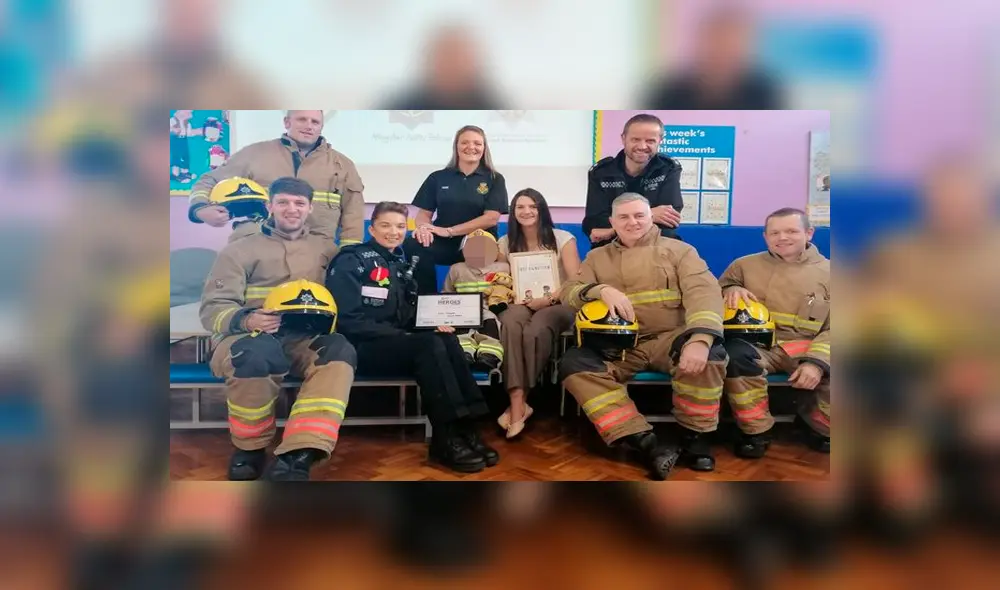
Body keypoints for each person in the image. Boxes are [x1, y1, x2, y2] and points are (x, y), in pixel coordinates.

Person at [560, 193, 729, 478]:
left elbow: (705, 293)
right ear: (612, 222)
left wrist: (700, 340)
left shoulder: (680, 251)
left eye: (639, 215)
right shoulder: (597, 257)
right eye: (624, 217)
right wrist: (600, 290)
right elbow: (569, 292)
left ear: (651, 217)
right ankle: (644, 442)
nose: (632, 222)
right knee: (573, 363)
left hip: (670, 339)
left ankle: (695, 439)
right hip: (621, 346)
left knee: (710, 356)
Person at [325, 201, 500, 474]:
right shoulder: (351, 260)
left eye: (399, 226)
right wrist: (408, 334)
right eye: (385, 225)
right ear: (371, 228)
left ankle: (467, 429)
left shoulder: (400, 264)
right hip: (363, 347)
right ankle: (446, 439)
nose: (393, 232)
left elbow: (408, 314)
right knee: (429, 345)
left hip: (397, 343)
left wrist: (431, 324)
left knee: (446, 340)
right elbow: (349, 320)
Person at [200, 177, 355, 481]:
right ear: (269, 205)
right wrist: (246, 319)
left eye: (299, 203)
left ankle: (300, 452)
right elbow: (212, 307)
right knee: (255, 355)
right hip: (247, 337)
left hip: (304, 338)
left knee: (339, 352)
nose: (291, 209)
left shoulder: (327, 250)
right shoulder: (237, 251)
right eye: (283, 202)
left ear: (309, 208)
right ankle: (250, 447)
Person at [719, 208, 831, 455]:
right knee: (735, 358)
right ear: (765, 237)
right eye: (775, 232)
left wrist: (817, 363)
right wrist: (729, 290)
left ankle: (816, 426)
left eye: (791, 231)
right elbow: (720, 288)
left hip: (809, 345)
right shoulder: (744, 265)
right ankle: (755, 431)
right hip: (759, 346)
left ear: (809, 233)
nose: (782, 238)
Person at [187, 110, 365, 244]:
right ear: (287, 122)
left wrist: (348, 255)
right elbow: (209, 180)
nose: (309, 126)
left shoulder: (342, 165)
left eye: (315, 122)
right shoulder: (254, 154)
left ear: (321, 127)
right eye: (302, 119)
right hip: (258, 249)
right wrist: (200, 209)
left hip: (316, 255)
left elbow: (353, 215)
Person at [495, 188, 581, 438]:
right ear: (513, 212)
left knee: (536, 329)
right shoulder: (505, 242)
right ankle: (518, 402)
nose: (527, 212)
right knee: (510, 322)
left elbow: (575, 280)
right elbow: (502, 278)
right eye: (520, 207)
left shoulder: (563, 238)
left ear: (541, 209)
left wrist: (549, 299)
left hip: (558, 303)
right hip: (521, 302)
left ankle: (518, 403)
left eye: (532, 206)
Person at [405, 125, 509, 294]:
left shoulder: (495, 178)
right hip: (443, 240)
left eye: (477, 143)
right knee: (413, 243)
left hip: (478, 241)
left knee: (478, 253)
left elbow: (490, 218)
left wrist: (451, 231)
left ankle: (476, 312)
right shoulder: (437, 177)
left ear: (484, 148)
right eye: (465, 142)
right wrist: (423, 229)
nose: (471, 147)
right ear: (456, 146)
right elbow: (423, 215)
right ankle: (425, 303)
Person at [584, 114, 683, 249]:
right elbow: (594, 222)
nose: (642, 146)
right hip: (611, 248)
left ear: (660, 140)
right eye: (635, 139)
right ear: (623, 139)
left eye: (650, 141)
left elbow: (669, 219)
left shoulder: (668, 169)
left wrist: (613, 230)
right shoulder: (601, 172)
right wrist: (651, 215)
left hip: (655, 247)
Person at [442, 230, 514, 371]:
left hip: (488, 309)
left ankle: (489, 355)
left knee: (491, 324)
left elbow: (510, 290)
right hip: (462, 310)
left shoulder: (504, 268)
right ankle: (464, 353)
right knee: (461, 329)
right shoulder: (456, 269)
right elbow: (447, 293)